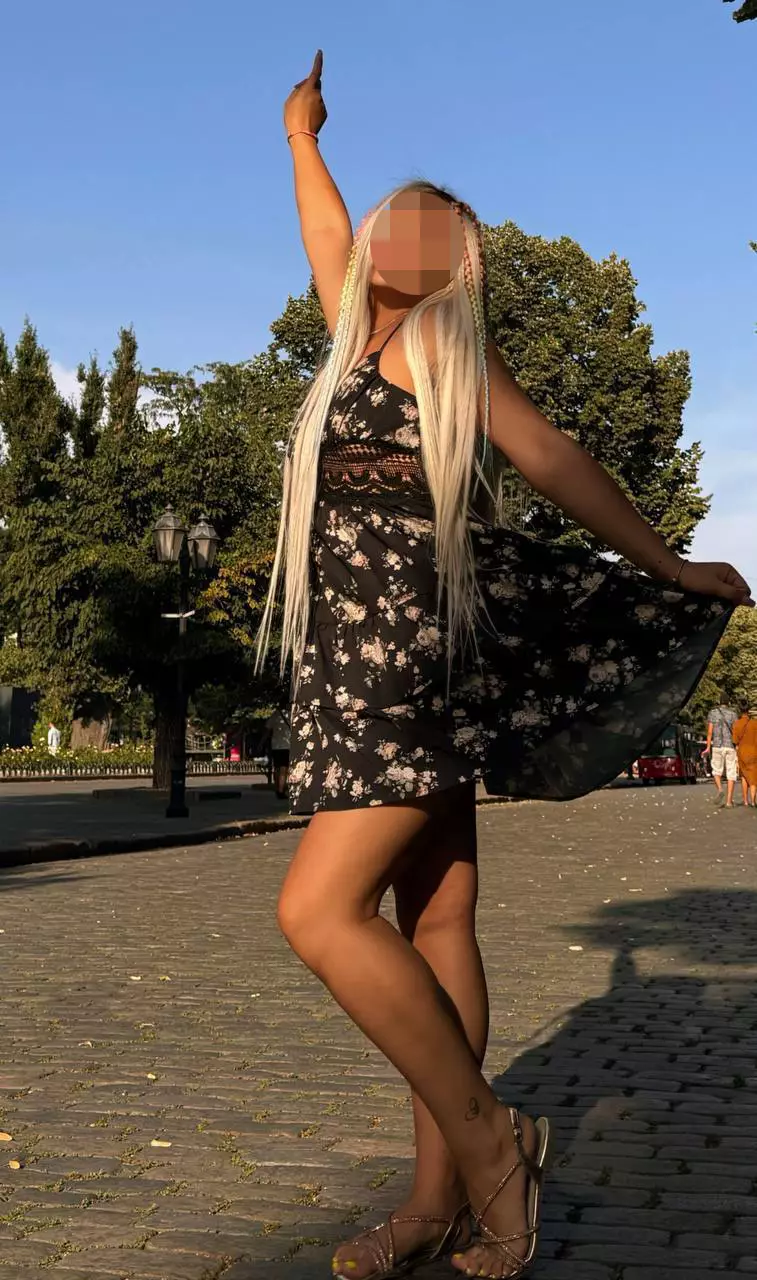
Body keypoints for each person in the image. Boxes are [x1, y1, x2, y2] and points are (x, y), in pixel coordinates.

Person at [252, 52, 754, 1280]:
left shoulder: (438, 348)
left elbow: (554, 457)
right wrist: (301, 135)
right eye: (392, 221)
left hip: (407, 663)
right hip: (354, 658)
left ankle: (489, 1144)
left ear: (451, 267)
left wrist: (668, 562)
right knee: (434, 915)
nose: (390, 238)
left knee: (317, 910)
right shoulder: (352, 339)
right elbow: (325, 235)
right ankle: (436, 1201)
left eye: (425, 231)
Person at [703, 702, 739, 808]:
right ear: (728, 702)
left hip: (717, 746)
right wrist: (737, 747)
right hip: (730, 746)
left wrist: (708, 747)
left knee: (716, 771)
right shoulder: (733, 714)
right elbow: (735, 732)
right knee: (731, 773)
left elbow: (710, 733)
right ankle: (729, 802)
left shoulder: (713, 713)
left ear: (719, 702)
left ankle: (720, 789)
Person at [262, 704, 292, 799]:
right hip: (287, 745)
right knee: (284, 769)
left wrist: (261, 743)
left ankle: (277, 788)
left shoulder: (275, 715)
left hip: (275, 745)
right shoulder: (291, 715)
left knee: (277, 768)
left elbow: (267, 729)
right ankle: (281, 790)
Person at [733, 705, 757, 808]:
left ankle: (745, 801)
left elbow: (735, 741)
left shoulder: (737, 724)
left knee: (744, 776)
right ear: (748, 711)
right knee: (753, 777)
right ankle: (753, 801)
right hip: (754, 752)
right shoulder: (755, 723)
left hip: (742, 753)